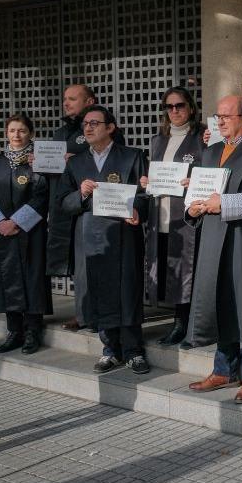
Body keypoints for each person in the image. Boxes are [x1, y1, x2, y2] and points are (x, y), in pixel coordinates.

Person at [184, 96, 242, 404]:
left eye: (227, 116)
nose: (220, 121)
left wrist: (223, 203)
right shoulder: (209, 152)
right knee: (218, 299)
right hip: (212, 236)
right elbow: (195, 196)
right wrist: (193, 210)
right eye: (218, 115)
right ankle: (223, 369)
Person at [55, 105, 150, 375]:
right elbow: (62, 201)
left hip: (124, 233)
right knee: (100, 290)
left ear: (110, 128)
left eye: (95, 123)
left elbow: (145, 194)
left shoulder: (132, 156)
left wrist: (137, 211)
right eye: (85, 124)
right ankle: (110, 349)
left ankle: (133, 350)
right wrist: (81, 194)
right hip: (92, 235)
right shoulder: (76, 163)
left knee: (127, 290)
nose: (88, 128)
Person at [0, 112, 52, 355]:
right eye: (12, 131)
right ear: (6, 133)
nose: (16, 135)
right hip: (1, 232)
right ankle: (14, 330)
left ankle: (32, 330)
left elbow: (43, 195)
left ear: (31, 133)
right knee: (6, 277)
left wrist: (17, 221)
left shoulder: (38, 162)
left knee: (32, 278)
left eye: (22, 130)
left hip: (30, 231)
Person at [140, 87, 205, 347]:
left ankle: (186, 325)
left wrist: (195, 181)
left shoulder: (202, 137)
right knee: (172, 271)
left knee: (188, 271)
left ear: (190, 107)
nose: (175, 111)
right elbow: (154, 173)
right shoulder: (158, 140)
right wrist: (147, 180)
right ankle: (178, 322)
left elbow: (211, 172)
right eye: (169, 107)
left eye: (180, 105)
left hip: (189, 213)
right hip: (163, 215)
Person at [46, 83, 95, 331]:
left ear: (89, 101)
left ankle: (97, 313)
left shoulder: (100, 128)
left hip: (92, 206)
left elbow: (107, 159)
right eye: (65, 99)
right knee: (77, 265)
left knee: (93, 263)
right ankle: (83, 312)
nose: (66, 103)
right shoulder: (60, 133)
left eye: (73, 99)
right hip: (66, 205)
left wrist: (78, 160)